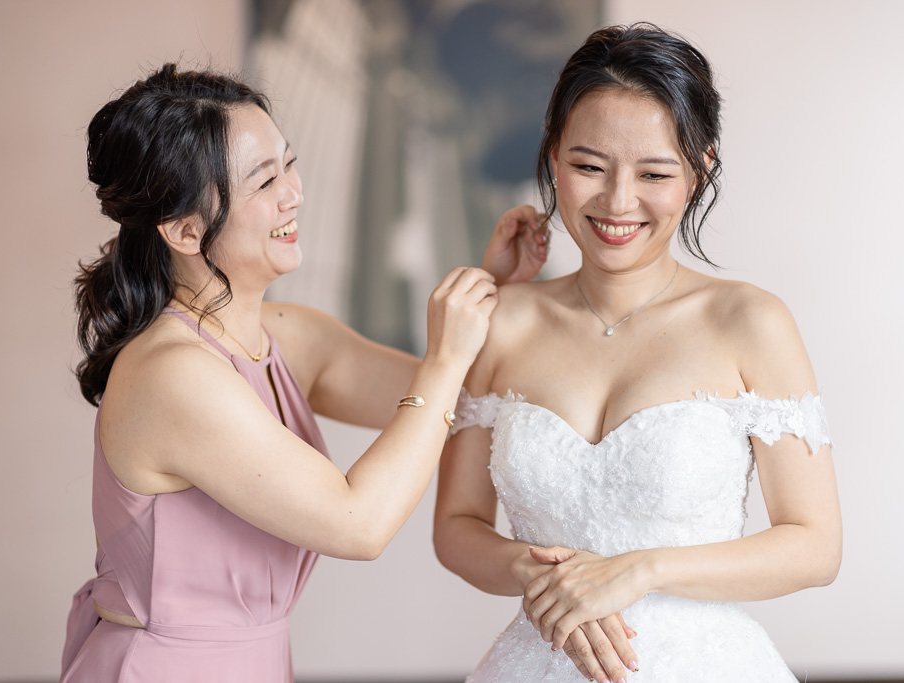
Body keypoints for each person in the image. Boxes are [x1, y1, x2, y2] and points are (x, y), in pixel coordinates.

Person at [61, 64, 546, 682]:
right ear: (185, 230)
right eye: (264, 181)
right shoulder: (172, 375)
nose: (293, 193)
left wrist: (495, 287)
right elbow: (360, 523)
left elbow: (459, 396)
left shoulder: (288, 334)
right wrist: (446, 357)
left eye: (288, 164)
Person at [434, 23, 842, 683]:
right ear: (553, 155)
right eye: (589, 166)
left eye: (653, 172)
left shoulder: (749, 321)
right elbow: (455, 525)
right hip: (537, 659)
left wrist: (638, 569)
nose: (618, 201)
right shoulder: (502, 320)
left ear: (699, 169)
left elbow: (815, 545)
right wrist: (547, 579)